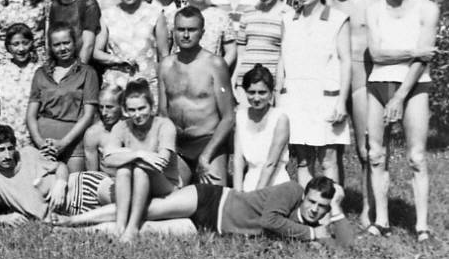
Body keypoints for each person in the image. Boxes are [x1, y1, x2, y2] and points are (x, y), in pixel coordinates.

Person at [365, 0, 439, 241]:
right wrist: (411, 50)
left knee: (417, 157)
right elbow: (377, 53)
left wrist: (399, 97)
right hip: (378, 84)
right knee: (375, 155)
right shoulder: (375, 9)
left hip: (414, 87)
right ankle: (381, 221)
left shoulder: (427, 8)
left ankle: (421, 225)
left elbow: (424, 61)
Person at [55, 176, 354, 247]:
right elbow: (270, 220)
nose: (315, 209)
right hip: (212, 200)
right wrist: (313, 235)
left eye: (321, 206)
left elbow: (347, 245)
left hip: (209, 229)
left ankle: (74, 232)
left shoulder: (323, 215)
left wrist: (337, 211)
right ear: (305, 195)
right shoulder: (290, 190)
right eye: (312, 201)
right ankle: (72, 220)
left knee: (148, 229)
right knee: (149, 209)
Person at [325, 0, 382, 229]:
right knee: (331, 150)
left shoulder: (373, 1)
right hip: (334, 81)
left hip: (363, 80)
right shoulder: (326, 2)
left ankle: (369, 210)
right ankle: (333, 208)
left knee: (366, 148)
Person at [279, 0, 350, 187]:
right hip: (296, 97)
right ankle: (305, 211)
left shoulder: (338, 19)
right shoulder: (289, 20)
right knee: (303, 159)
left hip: (326, 97)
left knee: (328, 160)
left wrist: (341, 102)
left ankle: (332, 212)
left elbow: (346, 60)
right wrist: (278, 95)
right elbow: (282, 58)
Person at [101, 79, 187, 242]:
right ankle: (120, 226)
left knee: (139, 169)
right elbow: (108, 160)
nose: (137, 115)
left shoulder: (164, 125)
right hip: (133, 181)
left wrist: (124, 155)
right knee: (123, 169)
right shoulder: (122, 126)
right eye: (132, 110)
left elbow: (162, 161)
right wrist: (139, 154)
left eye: (142, 108)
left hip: (164, 182)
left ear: (152, 107)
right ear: (125, 110)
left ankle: (132, 228)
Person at [158, 6, 236, 186]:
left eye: (191, 30)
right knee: (170, 200)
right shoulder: (166, 65)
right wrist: (165, 148)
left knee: (213, 200)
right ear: (174, 31)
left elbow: (228, 117)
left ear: (202, 33)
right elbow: (162, 113)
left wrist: (206, 155)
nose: (186, 35)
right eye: (181, 29)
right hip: (178, 144)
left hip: (208, 142)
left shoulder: (215, 64)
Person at [26, 22, 99, 172]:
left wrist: (64, 143)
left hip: (73, 140)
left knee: (73, 185)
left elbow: (88, 115)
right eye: (57, 44)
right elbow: (31, 115)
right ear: (51, 47)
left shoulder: (87, 72)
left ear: (75, 42)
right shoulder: (41, 73)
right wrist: (40, 143)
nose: (62, 48)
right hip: (44, 141)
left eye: (66, 43)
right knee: (44, 187)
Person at [95, 0, 169, 91]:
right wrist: (116, 59)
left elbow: (164, 56)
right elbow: (96, 52)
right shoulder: (107, 15)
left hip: (147, 87)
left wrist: (164, 90)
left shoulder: (155, 15)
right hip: (115, 88)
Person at [0, 125, 69, 225]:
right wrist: (4, 219)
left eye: (10, 148)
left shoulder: (28, 153)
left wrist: (61, 184)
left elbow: (60, 166)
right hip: (63, 213)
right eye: (1, 150)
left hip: (78, 185)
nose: (7, 155)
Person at [234, 0, 293, 101]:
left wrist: (278, 88)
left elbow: (286, 57)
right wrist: (234, 81)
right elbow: (241, 54)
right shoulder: (248, 13)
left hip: (270, 87)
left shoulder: (289, 14)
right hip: (245, 87)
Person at [232, 65, 291, 192]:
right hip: (249, 182)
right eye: (251, 92)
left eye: (262, 92)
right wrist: (237, 193)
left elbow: (271, 163)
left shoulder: (280, 118)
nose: (256, 98)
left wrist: (255, 197)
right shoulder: (241, 116)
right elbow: (238, 159)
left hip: (275, 184)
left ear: (271, 92)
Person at [0, 23, 40, 146]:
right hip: (6, 142)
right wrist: (0, 140)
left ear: (31, 43)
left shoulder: (39, 72)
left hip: (34, 139)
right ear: (8, 47)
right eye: (15, 44)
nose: (21, 49)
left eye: (25, 43)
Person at [182, 0, 237, 69]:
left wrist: (218, 70)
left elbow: (231, 51)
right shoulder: (174, 16)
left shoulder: (221, 17)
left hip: (211, 79)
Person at [82, 84, 124, 173]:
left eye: (109, 107)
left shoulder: (131, 127)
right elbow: (92, 173)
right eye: (101, 107)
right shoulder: (93, 133)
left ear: (121, 106)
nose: (104, 112)